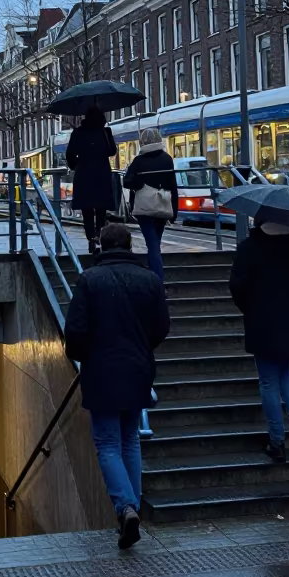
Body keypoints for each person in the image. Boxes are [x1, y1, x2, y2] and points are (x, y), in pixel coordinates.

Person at [64, 222, 170, 549]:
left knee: (107, 443)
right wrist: (142, 348)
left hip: (102, 369)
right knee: (130, 441)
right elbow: (161, 327)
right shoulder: (149, 280)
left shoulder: (90, 280)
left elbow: (76, 331)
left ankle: (125, 508)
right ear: (129, 244)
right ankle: (133, 507)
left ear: (102, 246)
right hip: (138, 368)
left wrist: (83, 355)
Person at [229, 220, 289, 463]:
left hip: (262, 321)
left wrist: (250, 309)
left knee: (268, 381)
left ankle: (277, 441)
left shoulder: (250, 247)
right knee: (285, 370)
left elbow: (237, 286)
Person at [123, 127, 178, 282]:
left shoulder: (138, 161)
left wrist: (140, 182)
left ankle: (157, 280)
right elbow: (172, 186)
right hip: (163, 204)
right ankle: (153, 275)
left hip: (144, 207)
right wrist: (175, 210)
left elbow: (127, 182)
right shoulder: (167, 159)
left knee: (152, 245)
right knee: (156, 243)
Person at [65, 106, 118, 255]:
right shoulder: (105, 132)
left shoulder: (78, 133)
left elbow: (70, 154)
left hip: (84, 174)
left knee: (87, 210)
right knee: (101, 209)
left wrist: (76, 165)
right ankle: (100, 236)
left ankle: (91, 239)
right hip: (102, 173)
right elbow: (112, 151)